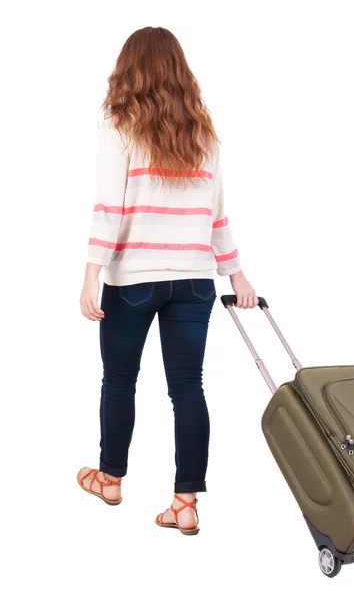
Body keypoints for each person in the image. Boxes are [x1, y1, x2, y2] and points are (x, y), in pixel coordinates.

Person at [77, 26, 258, 536]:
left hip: (132, 278)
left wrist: (91, 274)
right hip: (195, 282)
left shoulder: (119, 126)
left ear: (129, 67)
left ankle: (110, 478)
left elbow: (109, 208)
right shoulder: (202, 132)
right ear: (180, 70)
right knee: (187, 388)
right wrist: (237, 275)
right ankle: (185, 502)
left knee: (119, 381)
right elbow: (218, 216)